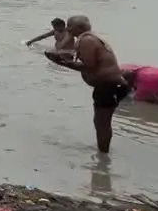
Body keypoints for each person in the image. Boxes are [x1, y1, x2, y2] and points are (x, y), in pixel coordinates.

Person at [45, 16, 129, 153]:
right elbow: (85, 58)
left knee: (102, 122)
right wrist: (61, 56)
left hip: (109, 85)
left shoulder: (86, 40)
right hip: (111, 85)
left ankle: (103, 156)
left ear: (79, 28)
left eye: (69, 26)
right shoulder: (90, 38)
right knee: (101, 121)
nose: (67, 28)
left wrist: (62, 63)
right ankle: (103, 153)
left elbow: (89, 66)